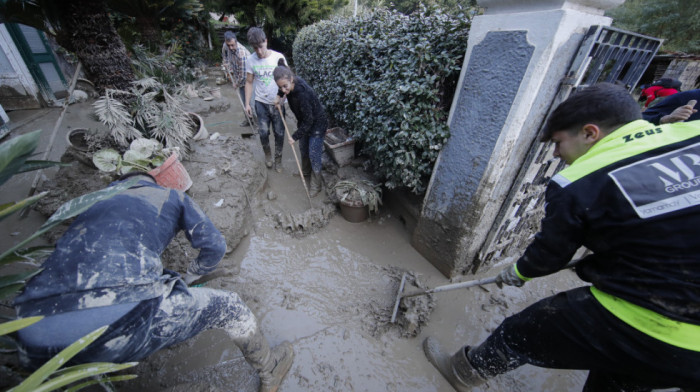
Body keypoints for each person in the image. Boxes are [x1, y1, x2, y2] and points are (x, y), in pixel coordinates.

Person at [422, 83, 700, 391]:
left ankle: (464, 372)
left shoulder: (579, 179)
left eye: (558, 142)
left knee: (522, 331)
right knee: (622, 376)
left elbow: (551, 253)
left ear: (590, 133)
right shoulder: (692, 135)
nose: (555, 153)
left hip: (654, 320)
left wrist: (518, 272)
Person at [13, 172, 294, 392]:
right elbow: (216, 246)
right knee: (231, 307)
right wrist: (193, 274)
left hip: (28, 336)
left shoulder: (92, 203)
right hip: (120, 320)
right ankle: (270, 371)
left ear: (119, 184)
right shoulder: (170, 196)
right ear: (154, 181)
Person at [273, 62, 328, 197]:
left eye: (285, 87)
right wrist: (278, 97)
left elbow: (309, 120)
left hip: (317, 124)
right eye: (281, 87)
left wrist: (294, 136)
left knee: (314, 154)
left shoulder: (303, 93)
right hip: (304, 122)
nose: (284, 90)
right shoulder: (287, 85)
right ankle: (305, 172)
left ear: (291, 79)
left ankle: (316, 185)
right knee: (303, 149)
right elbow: (282, 89)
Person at [244, 27, 288, 172]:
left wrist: (282, 99)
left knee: (280, 133)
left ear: (266, 41)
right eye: (255, 48)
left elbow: (288, 81)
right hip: (261, 103)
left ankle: (278, 159)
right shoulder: (250, 60)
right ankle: (268, 155)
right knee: (263, 132)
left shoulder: (278, 58)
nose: (259, 52)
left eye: (261, 47)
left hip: (278, 103)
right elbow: (249, 82)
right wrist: (247, 104)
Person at [222, 30, 253, 127]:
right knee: (245, 103)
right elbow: (224, 53)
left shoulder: (242, 54)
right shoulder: (226, 45)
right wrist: (226, 61)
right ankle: (249, 120)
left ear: (236, 41)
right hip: (239, 76)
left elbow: (243, 75)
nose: (231, 48)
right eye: (229, 45)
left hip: (249, 79)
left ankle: (253, 121)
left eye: (232, 45)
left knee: (248, 102)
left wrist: (236, 83)